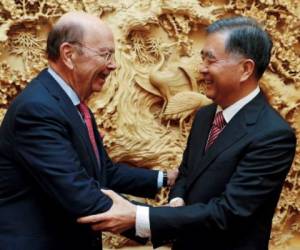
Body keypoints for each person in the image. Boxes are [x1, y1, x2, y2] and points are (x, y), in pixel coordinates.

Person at [77, 16, 297, 250]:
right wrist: (177, 199)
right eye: (202, 59)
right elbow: (186, 174)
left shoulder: (272, 135)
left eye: (210, 60)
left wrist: (140, 217)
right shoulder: (205, 116)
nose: (201, 69)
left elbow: (229, 212)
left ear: (245, 69)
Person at [0, 11, 178, 250]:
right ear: (69, 54)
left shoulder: (71, 104)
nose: (113, 65)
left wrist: (166, 178)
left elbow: (104, 173)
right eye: (106, 54)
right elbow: (78, 192)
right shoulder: (37, 110)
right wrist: (158, 221)